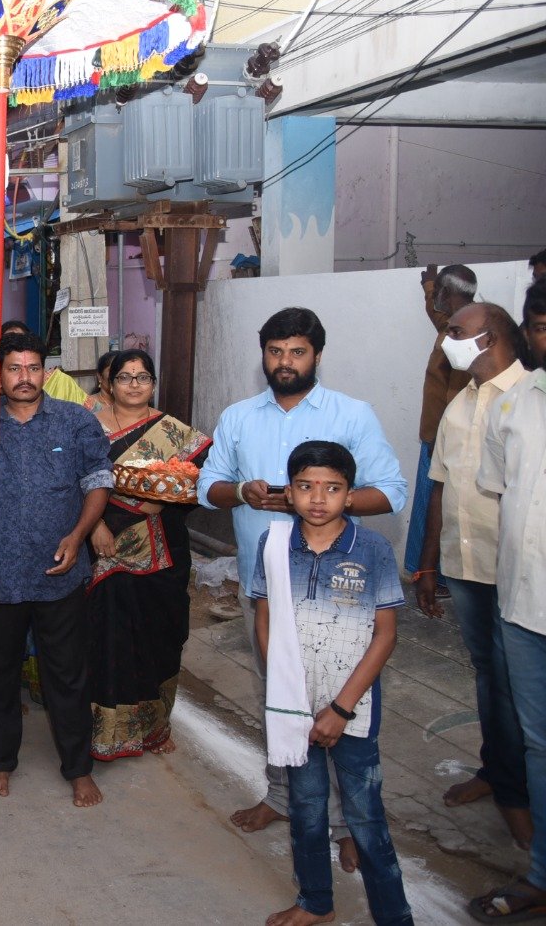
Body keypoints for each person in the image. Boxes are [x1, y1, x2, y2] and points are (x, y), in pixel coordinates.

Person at [197, 306, 406, 862]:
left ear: (317, 355)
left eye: (297, 352)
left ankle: (349, 823)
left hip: (339, 591)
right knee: (278, 697)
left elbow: (390, 492)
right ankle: (283, 796)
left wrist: (308, 498)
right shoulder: (239, 415)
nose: (285, 363)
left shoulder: (351, 414)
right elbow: (208, 485)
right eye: (274, 352)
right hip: (264, 586)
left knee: (344, 702)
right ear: (262, 354)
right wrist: (242, 493)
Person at [252, 441, 412, 926]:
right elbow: (264, 620)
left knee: (365, 818)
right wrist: (286, 694)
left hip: (352, 710)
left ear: (350, 494)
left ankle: (393, 915)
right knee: (305, 807)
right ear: (289, 491)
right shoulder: (274, 545)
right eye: (305, 487)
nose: (317, 499)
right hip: (293, 707)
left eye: (332, 488)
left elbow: (384, 636)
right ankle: (315, 901)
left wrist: (340, 710)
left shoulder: (373, 549)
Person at [0, 333, 113, 809]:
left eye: (32, 368)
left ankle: (78, 769)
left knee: (66, 675)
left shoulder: (75, 422)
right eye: (14, 369)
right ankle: (2, 762)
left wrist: (79, 534)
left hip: (60, 572)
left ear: (45, 371)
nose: (24, 378)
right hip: (2, 576)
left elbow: (99, 482)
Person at [415, 302, 531, 843]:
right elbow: (439, 486)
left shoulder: (530, 396)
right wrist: (430, 564)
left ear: (489, 338)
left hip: (517, 569)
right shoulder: (459, 401)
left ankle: (517, 791)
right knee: (488, 675)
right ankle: (497, 771)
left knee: (517, 684)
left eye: (455, 332)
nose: (447, 342)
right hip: (466, 566)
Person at [86, 350, 212, 760]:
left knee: (158, 636)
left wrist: (157, 503)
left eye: (143, 377)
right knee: (106, 639)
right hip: (99, 546)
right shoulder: (87, 427)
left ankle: (154, 728)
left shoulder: (174, 432)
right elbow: (73, 482)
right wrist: (96, 527)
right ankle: (106, 733)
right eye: (125, 377)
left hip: (162, 550)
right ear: (109, 383)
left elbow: (193, 486)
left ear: (153, 384)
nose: (135, 384)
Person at [469, 281, 546, 922]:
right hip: (523, 606)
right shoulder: (513, 406)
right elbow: (500, 494)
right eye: (542, 325)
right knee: (538, 744)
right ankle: (541, 871)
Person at [410, 264, 477, 596]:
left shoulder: (466, 333)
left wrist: (442, 438)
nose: (435, 299)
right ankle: (430, 573)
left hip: (443, 437)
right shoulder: (454, 323)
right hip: (434, 434)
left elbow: (459, 392)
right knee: (431, 504)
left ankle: (437, 576)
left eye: (438, 294)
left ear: (449, 295)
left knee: (438, 507)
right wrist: (428, 286)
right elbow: (437, 317)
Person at [90, 349, 119, 415]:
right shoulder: (89, 405)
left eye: (121, 370)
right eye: (112, 370)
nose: (117, 374)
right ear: (100, 376)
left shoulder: (131, 404)